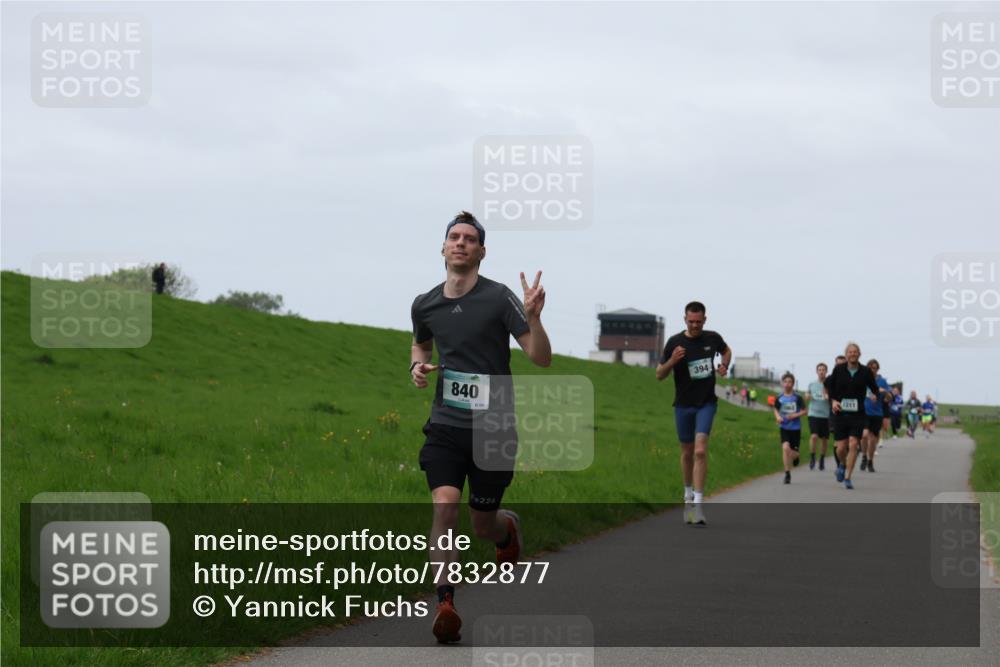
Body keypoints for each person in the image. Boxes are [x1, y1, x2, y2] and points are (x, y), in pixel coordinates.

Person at [410, 211, 552, 643]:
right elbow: (421, 340)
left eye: (469, 239)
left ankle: (507, 529)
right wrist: (417, 366)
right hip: (446, 424)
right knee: (445, 506)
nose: (460, 243)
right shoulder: (426, 302)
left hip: (494, 428)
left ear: (481, 251)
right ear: (443, 247)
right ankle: (446, 603)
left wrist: (534, 318)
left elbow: (540, 358)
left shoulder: (500, 298)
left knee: (482, 524)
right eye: (454, 237)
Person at [657, 301, 732, 526]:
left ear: (705, 320)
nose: (695, 325)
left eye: (699, 322)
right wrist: (672, 360)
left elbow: (726, 351)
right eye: (691, 322)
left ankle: (699, 505)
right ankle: (687, 496)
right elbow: (659, 374)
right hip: (683, 405)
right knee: (687, 452)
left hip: (706, 403)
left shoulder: (712, 338)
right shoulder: (674, 342)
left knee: (700, 451)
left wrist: (724, 365)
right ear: (685, 320)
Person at [825, 342, 880, 490]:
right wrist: (833, 401)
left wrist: (881, 395)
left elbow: (874, 388)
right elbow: (830, 388)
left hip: (858, 415)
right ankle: (842, 464)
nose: (852, 354)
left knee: (854, 444)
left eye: (855, 352)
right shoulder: (838, 369)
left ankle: (848, 477)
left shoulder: (865, 372)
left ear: (859, 354)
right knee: (841, 448)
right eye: (850, 352)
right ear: (846, 354)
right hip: (841, 414)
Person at [774, 373, 807, 484]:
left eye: (790, 382)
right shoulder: (779, 397)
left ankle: (796, 456)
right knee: (785, 448)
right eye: (786, 382)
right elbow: (776, 409)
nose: (787, 384)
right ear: (782, 383)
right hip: (784, 427)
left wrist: (795, 415)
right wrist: (778, 417)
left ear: (793, 383)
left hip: (795, 428)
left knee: (793, 452)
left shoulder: (797, 398)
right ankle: (787, 474)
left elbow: (804, 411)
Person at [861, 359, 891, 473]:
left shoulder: (882, 381)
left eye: (874, 368)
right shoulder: (863, 379)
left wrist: (885, 393)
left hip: (877, 413)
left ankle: (870, 461)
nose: (872, 369)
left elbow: (889, 398)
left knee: (873, 439)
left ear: (877, 369)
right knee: (864, 436)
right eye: (870, 367)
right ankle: (863, 455)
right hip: (864, 411)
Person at [806, 362, 831, 470]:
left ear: (826, 372)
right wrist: (807, 396)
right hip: (813, 414)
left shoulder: (829, 384)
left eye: (823, 370)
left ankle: (821, 459)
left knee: (825, 439)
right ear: (817, 372)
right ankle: (812, 457)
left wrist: (828, 397)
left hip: (825, 415)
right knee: (814, 436)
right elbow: (806, 396)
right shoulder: (812, 384)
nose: (821, 372)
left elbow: (834, 399)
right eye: (819, 370)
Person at [828, 355, 848, 469]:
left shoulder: (851, 377)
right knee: (837, 441)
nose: (840, 366)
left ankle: (844, 462)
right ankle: (839, 466)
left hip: (850, 414)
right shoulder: (831, 378)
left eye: (842, 364)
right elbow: (825, 390)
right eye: (838, 364)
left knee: (848, 443)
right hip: (835, 413)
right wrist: (831, 400)